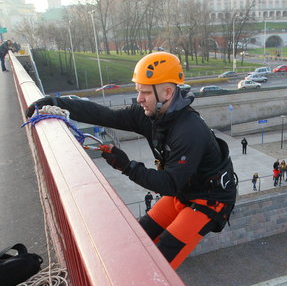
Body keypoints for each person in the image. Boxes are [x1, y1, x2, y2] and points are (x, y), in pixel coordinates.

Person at [24, 51, 236, 270]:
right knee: (139, 238)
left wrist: (127, 166)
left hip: (209, 201)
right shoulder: (151, 116)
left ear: (167, 92)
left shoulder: (189, 130)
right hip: (184, 192)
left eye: (145, 92)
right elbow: (106, 116)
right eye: (138, 91)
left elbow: (169, 184)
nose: (139, 99)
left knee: (160, 261)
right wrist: (58, 102)